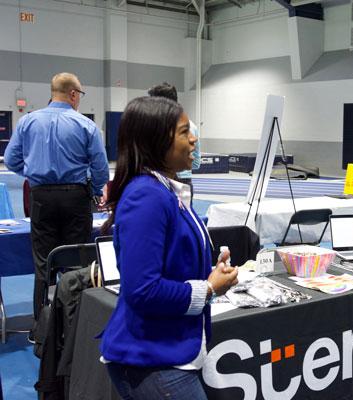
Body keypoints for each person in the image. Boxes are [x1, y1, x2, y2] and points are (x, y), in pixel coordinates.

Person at [99, 96, 238, 400]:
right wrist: (209, 289)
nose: (194, 138)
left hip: (169, 348)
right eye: (185, 131)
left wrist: (212, 273)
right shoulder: (147, 196)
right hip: (152, 358)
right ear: (157, 141)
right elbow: (143, 290)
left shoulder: (166, 190)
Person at [4, 72, 109, 326]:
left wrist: (32, 175)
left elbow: (11, 159)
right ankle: (73, 326)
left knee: (43, 264)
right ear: (73, 94)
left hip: (41, 198)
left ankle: (41, 328)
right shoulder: (86, 125)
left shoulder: (27, 122)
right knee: (76, 262)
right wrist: (94, 189)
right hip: (76, 198)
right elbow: (101, 169)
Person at [148, 82, 201, 194]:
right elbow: (195, 163)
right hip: (181, 180)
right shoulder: (192, 126)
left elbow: (195, 162)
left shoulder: (153, 127)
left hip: (165, 181)